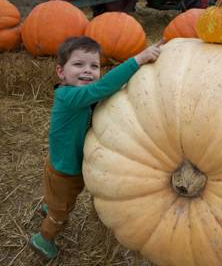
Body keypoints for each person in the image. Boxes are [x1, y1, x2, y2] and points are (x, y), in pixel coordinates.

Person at [29, 35, 162, 260]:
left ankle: (51, 205)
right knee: (62, 211)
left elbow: (104, 92)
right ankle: (44, 238)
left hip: (73, 164)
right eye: (78, 64)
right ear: (61, 72)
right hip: (64, 170)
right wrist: (137, 60)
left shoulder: (80, 95)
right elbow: (103, 87)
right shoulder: (69, 96)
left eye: (94, 66)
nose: (88, 71)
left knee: (64, 197)